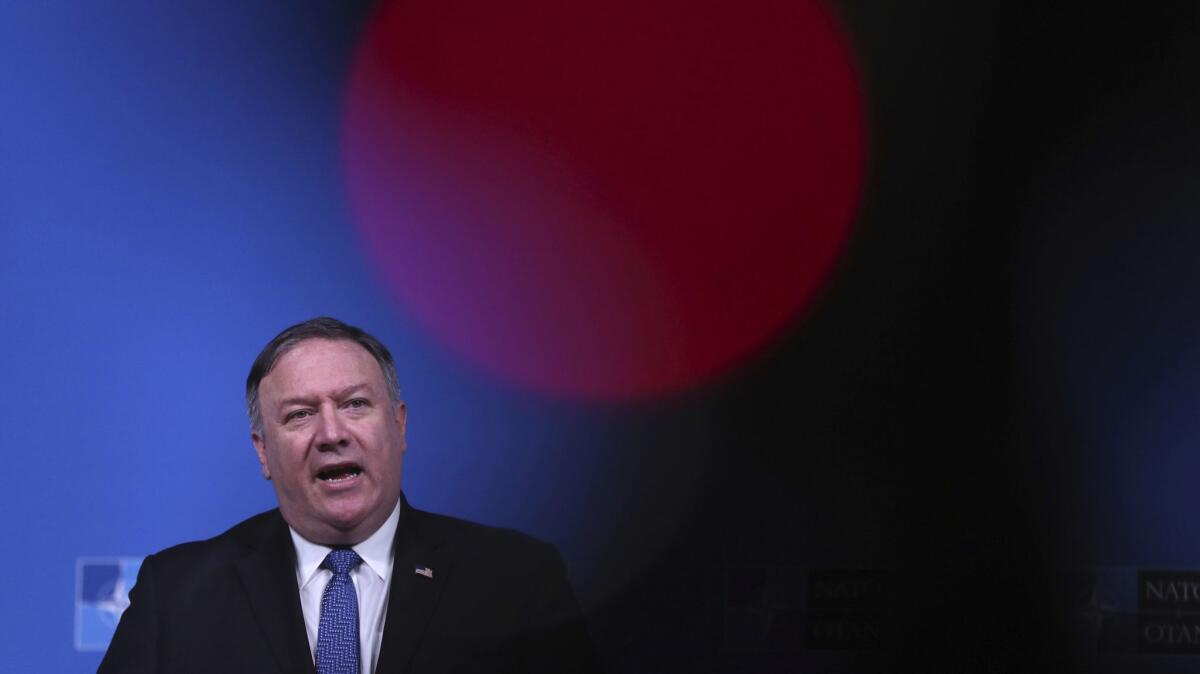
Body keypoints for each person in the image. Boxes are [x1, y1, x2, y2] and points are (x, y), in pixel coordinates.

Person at [99, 317, 598, 673]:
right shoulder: (177, 593)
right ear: (263, 452)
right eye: (299, 414)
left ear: (399, 426)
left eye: (355, 404)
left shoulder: (517, 579)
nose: (332, 432)